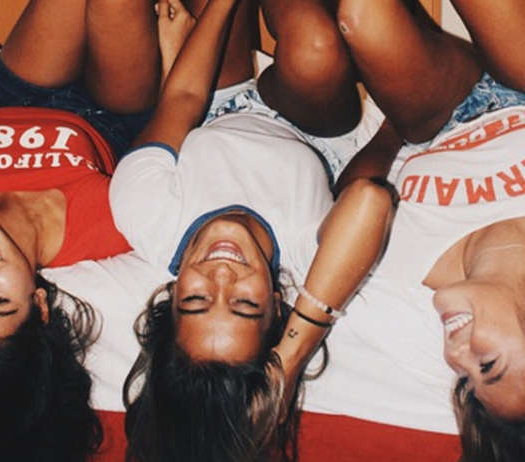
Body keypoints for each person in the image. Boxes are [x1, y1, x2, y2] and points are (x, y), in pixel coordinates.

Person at [114, 0, 397, 461]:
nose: (222, 276)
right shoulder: (307, 266)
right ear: (277, 303)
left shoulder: (145, 215)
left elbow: (182, 98)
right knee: (315, 47)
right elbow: (370, 200)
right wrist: (291, 357)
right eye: (244, 304)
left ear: (172, 294)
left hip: (215, 107)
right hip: (314, 134)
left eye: (196, 300)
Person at [314, 1, 525, 461]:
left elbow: (354, 193)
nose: (456, 356)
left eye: (464, 378)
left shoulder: (404, 272)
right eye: (487, 363)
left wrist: (395, 126)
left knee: (363, 16)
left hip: (443, 108)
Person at [0, 0, 192, 459]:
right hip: (110, 117)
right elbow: (161, 147)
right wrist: (171, 68)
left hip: (9, 94)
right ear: (39, 305)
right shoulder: (106, 232)